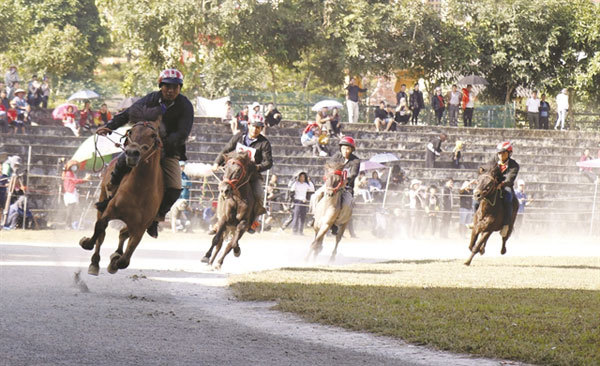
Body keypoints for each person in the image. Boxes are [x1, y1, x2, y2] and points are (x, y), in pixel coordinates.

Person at [96, 68, 194, 238]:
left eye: (175, 87)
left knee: (176, 187)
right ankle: (110, 196)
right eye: (167, 86)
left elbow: (183, 133)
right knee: (120, 162)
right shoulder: (151, 99)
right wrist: (110, 126)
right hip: (143, 146)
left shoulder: (185, 106)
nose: (170, 90)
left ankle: (156, 217)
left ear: (180, 88)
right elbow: (128, 113)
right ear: (160, 86)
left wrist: (164, 144)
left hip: (169, 150)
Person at [212, 118, 273, 234]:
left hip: (251, 175)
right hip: (234, 173)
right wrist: (216, 163)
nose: (255, 129)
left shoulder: (264, 143)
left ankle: (254, 221)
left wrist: (257, 167)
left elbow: (268, 162)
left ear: (261, 129)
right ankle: (218, 220)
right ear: (249, 125)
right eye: (253, 126)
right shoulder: (238, 137)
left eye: (258, 127)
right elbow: (226, 150)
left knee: (259, 194)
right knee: (222, 191)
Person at [314, 136, 360, 235]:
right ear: (340, 148)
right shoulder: (336, 156)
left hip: (346, 187)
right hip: (332, 184)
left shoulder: (355, 161)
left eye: (348, 148)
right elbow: (329, 167)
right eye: (343, 148)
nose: (345, 150)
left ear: (352, 149)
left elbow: (353, 174)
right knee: (316, 195)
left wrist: (345, 181)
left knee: (347, 203)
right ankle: (315, 215)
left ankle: (337, 222)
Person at [472, 141, 520, 237]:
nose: (500, 155)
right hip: (492, 184)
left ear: (509, 153)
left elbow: (510, 178)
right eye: (499, 153)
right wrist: (481, 170)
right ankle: (475, 221)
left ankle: (506, 224)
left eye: (503, 153)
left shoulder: (514, 165)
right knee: (476, 200)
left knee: (509, 198)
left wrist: (502, 184)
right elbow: (486, 167)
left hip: (505, 186)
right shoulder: (494, 159)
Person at [62, 160, 91, 229]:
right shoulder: (69, 173)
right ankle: (68, 224)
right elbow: (75, 181)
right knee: (70, 209)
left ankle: (69, 224)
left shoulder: (71, 173)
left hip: (71, 191)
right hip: (70, 192)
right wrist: (85, 179)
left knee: (71, 209)